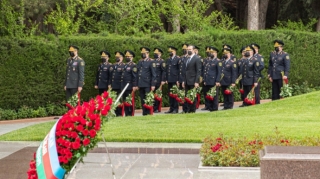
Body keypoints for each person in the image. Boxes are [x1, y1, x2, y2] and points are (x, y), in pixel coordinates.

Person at [136, 47, 157, 115]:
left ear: (147, 54)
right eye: (142, 53)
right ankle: (144, 112)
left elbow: (154, 74)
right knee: (142, 98)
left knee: (148, 98)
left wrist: (153, 84)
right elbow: (138, 73)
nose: (143, 55)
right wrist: (137, 84)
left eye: (144, 53)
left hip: (147, 83)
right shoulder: (140, 61)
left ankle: (148, 112)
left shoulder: (151, 62)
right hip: (141, 83)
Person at [182, 45, 202, 113]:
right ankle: (187, 109)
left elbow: (198, 71)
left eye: (190, 49)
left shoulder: (197, 58)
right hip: (187, 80)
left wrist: (197, 81)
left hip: (193, 80)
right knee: (187, 96)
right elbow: (185, 71)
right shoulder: (187, 58)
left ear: (193, 50)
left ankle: (192, 110)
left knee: (193, 96)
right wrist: (184, 81)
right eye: (188, 49)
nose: (188, 50)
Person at [202, 46, 222, 111]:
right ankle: (210, 107)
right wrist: (205, 80)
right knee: (209, 95)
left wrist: (217, 81)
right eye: (210, 52)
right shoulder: (209, 61)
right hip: (208, 81)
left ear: (216, 53)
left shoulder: (218, 61)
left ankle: (214, 108)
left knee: (214, 95)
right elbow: (206, 71)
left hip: (214, 81)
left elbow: (219, 72)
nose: (211, 54)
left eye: (212, 52)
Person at [121, 50, 137, 116]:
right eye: (126, 56)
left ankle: (131, 113)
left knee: (130, 100)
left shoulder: (133, 65)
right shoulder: (125, 65)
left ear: (132, 57)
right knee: (125, 100)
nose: (127, 57)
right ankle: (126, 113)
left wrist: (134, 85)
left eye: (129, 56)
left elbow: (135, 76)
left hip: (129, 85)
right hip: (124, 85)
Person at [165, 46, 180, 114]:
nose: (170, 53)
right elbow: (167, 70)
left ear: (174, 52)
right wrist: (166, 78)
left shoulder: (177, 59)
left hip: (175, 79)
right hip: (169, 79)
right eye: (170, 52)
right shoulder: (168, 59)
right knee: (170, 95)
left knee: (175, 94)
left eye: (171, 52)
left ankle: (175, 109)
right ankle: (171, 108)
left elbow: (179, 70)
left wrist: (178, 79)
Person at [110, 51, 125, 116]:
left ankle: (119, 113)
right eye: (116, 57)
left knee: (119, 100)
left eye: (118, 57)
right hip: (113, 85)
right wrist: (110, 84)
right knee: (114, 99)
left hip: (119, 85)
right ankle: (115, 112)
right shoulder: (113, 65)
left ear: (121, 58)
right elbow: (111, 76)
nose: (117, 58)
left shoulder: (123, 66)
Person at [153, 48, 166, 113]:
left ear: (160, 54)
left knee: (158, 95)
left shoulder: (162, 61)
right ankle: (153, 107)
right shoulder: (152, 61)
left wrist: (163, 80)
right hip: (153, 80)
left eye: (157, 54)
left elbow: (164, 71)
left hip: (159, 80)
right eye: (155, 53)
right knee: (153, 95)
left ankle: (157, 108)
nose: (155, 54)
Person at [201, 46, 212, 111]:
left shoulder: (213, 60)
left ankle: (210, 105)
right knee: (205, 93)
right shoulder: (205, 60)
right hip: (205, 79)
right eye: (207, 52)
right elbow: (203, 70)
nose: (208, 53)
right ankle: (207, 105)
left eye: (209, 52)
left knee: (210, 93)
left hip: (210, 79)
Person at [178, 44, 188, 113]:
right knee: (182, 95)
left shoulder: (188, 58)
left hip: (186, 79)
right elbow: (179, 70)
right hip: (181, 79)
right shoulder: (181, 58)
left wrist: (184, 80)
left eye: (185, 49)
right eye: (183, 49)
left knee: (186, 94)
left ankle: (187, 109)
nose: (184, 51)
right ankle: (184, 109)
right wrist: (178, 80)